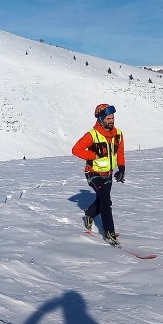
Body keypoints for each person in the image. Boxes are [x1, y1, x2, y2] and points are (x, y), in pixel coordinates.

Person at [72, 104, 125, 245]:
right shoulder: (92, 135)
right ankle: (110, 233)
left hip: (108, 173)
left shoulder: (118, 134)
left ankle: (90, 214)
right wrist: (94, 155)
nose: (111, 120)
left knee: (104, 200)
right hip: (93, 173)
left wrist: (122, 169)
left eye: (112, 117)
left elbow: (119, 152)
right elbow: (76, 150)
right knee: (106, 202)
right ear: (101, 119)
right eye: (108, 118)